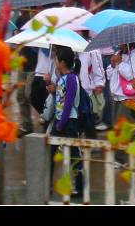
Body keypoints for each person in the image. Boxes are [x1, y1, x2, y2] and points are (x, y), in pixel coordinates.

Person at [49, 46, 83, 196]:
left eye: (56, 59)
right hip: (60, 120)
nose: (54, 61)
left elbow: (68, 103)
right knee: (50, 152)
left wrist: (61, 123)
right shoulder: (62, 77)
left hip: (69, 122)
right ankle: (46, 183)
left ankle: (80, 187)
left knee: (74, 155)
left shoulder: (71, 78)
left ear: (62, 62)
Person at [107, 43, 135, 124]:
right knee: (116, 124)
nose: (118, 43)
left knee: (126, 125)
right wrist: (112, 65)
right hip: (116, 95)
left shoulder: (134, 54)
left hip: (127, 96)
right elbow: (109, 76)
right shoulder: (118, 53)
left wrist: (120, 63)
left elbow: (131, 75)